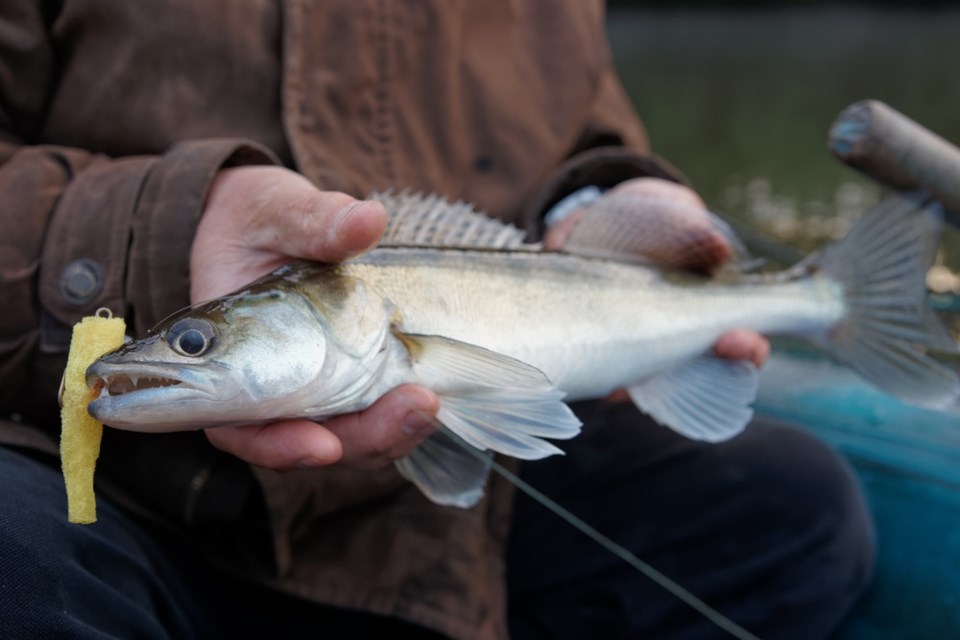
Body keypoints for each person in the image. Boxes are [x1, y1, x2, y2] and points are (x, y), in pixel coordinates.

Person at [0, 2, 874, 639]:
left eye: (194, 341)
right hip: (122, 500)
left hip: (455, 522)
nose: (184, 349)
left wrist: (609, 191)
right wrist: (183, 219)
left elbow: (583, 133)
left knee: (801, 509)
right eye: (195, 339)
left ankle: (823, 298)